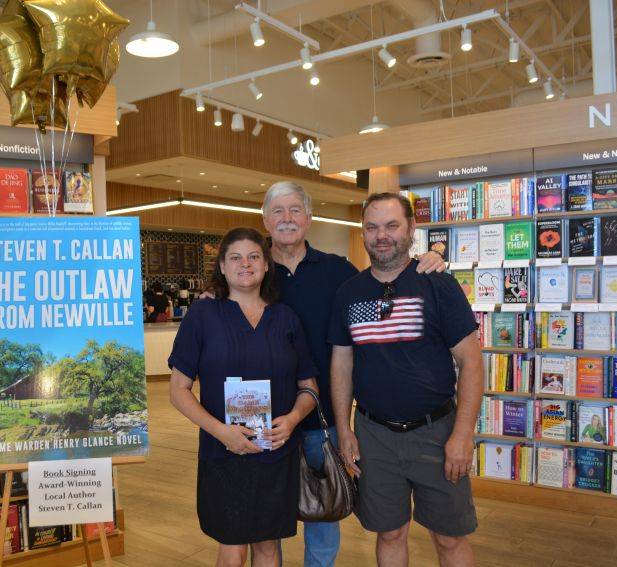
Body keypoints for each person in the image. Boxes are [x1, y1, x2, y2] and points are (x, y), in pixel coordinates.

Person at [260, 181, 446, 567]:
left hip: (325, 415)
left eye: (295, 210)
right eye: (277, 211)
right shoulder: (250, 270)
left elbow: (386, 277)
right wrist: (212, 292)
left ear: (309, 218)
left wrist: (434, 257)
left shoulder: (338, 272)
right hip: (266, 419)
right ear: (265, 219)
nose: (287, 219)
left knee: (324, 515)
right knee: (266, 523)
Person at [329, 192, 484, 567]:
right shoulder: (349, 292)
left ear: (411, 229)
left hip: (437, 431)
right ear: (363, 233)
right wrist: (345, 429)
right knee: (390, 532)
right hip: (374, 435)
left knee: (449, 537)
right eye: (372, 227)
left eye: (392, 225)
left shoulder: (438, 284)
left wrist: (462, 435)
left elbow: (471, 362)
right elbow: (342, 364)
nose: (382, 235)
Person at [168, 227, 319, 567]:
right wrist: (221, 431)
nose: (245, 264)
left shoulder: (285, 318)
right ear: (222, 266)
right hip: (223, 453)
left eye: (254, 257)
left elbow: (309, 386)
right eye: (235, 258)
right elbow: (178, 390)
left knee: (268, 545)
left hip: (275, 451)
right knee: (232, 549)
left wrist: (293, 419)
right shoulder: (203, 315)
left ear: (267, 265)